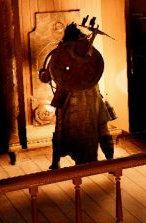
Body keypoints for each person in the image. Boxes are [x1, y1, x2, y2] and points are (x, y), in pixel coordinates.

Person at [45, 24, 115, 169]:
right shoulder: (82, 51)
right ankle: (111, 162)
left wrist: (43, 73)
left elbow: (46, 77)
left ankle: (56, 162)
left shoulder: (65, 53)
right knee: (101, 128)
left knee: (62, 131)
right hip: (84, 97)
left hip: (75, 98)